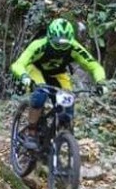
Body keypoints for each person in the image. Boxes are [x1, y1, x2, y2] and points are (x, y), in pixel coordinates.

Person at [11, 18, 107, 147]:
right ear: (50, 37)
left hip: (58, 73)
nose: (61, 48)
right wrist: (24, 77)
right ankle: (31, 131)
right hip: (36, 70)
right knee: (39, 96)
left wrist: (101, 82)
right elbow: (18, 64)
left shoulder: (74, 47)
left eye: (65, 44)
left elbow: (94, 66)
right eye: (57, 43)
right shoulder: (39, 45)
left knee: (68, 103)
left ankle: (62, 135)